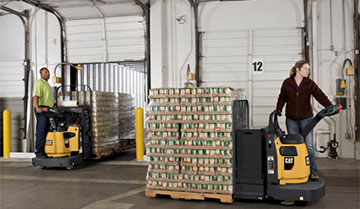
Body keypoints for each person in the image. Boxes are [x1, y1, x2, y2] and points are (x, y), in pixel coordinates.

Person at [276, 60, 332, 181]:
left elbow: (320, 95)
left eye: (308, 69)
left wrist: (330, 106)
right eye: (306, 68)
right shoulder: (287, 83)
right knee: (293, 147)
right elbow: (282, 97)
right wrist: (278, 109)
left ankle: (312, 172)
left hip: (307, 119)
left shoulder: (309, 83)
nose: (308, 71)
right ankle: (295, 172)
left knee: (309, 147)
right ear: (298, 69)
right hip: (291, 120)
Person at [33, 67, 55, 158]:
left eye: (48, 72)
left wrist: (53, 107)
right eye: (45, 72)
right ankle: (39, 153)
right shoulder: (39, 83)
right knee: (41, 131)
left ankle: (46, 151)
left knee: (47, 131)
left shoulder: (47, 85)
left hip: (49, 109)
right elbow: (36, 96)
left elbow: (48, 98)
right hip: (42, 109)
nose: (48, 73)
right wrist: (37, 107)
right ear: (41, 74)